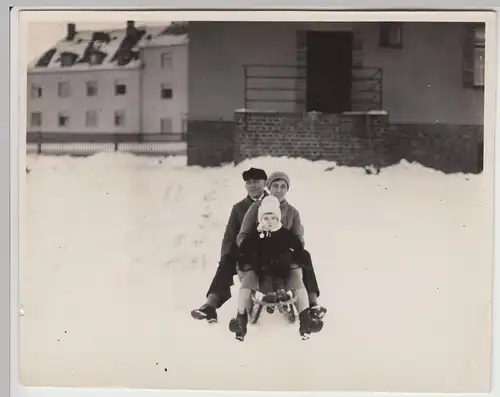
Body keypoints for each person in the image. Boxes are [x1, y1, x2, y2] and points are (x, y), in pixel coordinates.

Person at [229, 196, 323, 340]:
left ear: (278, 218)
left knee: (298, 283)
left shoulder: (285, 234)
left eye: (273, 218)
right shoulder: (255, 235)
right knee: (246, 285)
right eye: (266, 218)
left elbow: (298, 249)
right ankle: (240, 319)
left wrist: (293, 257)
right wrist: (246, 261)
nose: (270, 222)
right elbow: (243, 251)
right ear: (260, 219)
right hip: (260, 274)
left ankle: (305, 320)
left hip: (282, 273)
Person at [237, 171, 327, 320]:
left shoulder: (292, 212)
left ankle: (312, 302)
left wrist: (289, 249)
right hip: (259, 251)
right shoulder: (256, 207)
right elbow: (242, 235)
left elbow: (298, 238)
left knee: (305, 256)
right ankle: (250, 305)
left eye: (283, 187)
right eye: (275, 186)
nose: (279, 190)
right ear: (269, 187)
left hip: (284, 254)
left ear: (287, 190)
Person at [191, 167, 268, 323]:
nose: (252, 186)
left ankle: (309, 305)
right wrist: (226, 258)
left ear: (265, 183)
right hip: (247, 252)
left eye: (256, 182)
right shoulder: (239, 208)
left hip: (270, 252)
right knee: (226, 263)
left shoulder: (274, 202)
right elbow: (229, 237)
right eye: (249, 183)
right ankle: (210, 305)